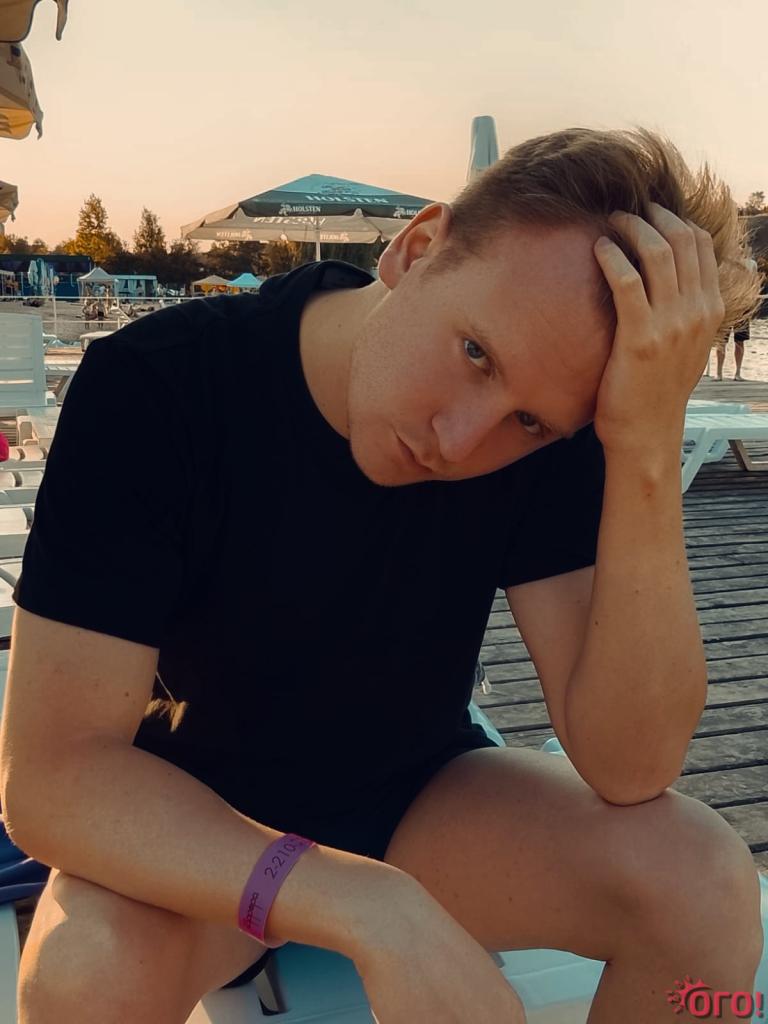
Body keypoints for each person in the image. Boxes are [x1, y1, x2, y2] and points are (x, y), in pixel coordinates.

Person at [2, 128, 763, 1024]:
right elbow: (50, 779)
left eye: (528, 423)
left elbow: (633, 767)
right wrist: (367, 907)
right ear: (418, 246)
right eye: (475, 352)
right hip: (197, 824)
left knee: (705, 887)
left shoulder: (551, 426)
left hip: (417, 801)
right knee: (82, 977)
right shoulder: (162, 385)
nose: (460, 442)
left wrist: (643, 444)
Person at [714, 257, 760, 380]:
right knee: (722, 341)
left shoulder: (751, 263)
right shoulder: (725, 262)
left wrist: (750, 300)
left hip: (743, 307)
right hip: (728, 306)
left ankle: (738, 373)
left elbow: (754, 283)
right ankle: (719, 373)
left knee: (740, 340)